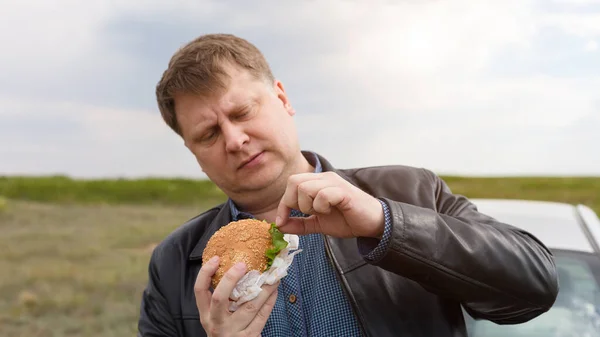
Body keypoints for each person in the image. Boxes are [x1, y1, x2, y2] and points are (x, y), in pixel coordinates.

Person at [137, 33, 559, 337]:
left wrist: (385, 224)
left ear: (282, 99)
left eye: (244, 111)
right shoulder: (175, 262)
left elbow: (534, 287)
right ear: (194, 153)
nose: (234, 139)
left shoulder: (409, 189)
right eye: (208, 134)